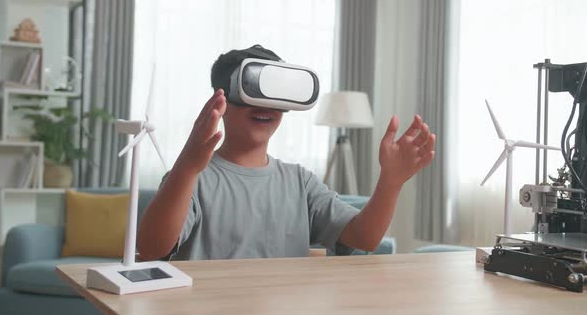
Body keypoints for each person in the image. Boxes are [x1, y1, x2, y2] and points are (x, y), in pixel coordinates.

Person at [137, 45, 435, 260]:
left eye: (274, 95)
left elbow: (365, 237)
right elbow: (152, 249)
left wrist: (391, 181)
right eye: (251, 91)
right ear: (222, 100)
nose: (264, 106)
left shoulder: (300, 182)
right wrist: (186, 168)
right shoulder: (193, 179)